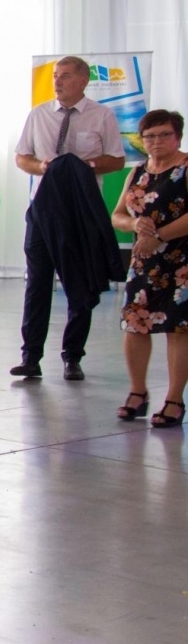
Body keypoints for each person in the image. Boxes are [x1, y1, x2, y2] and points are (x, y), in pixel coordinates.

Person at [12, 55, 126, 381]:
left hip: (80, 212)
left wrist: (82, 166)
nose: (58, 82)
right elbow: (22, 157)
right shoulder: (38, 114)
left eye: (65, 76)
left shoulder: (102, 115)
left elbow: (117, 160)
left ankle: (72, 357)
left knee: (80, 282)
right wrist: (42, 167)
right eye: (55, 76)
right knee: (37, 283)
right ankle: (30, 357)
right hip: (43, 211)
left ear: (83, 80)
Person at [112, 109, 188, 428]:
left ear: (178, 137)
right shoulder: (137, 172)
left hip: (181, 260)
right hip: (144, 260)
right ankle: (138, 392)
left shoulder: (185, 167)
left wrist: (158, 236)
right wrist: (134, 224)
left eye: (164, 134)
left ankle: (174, 399)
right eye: (150, 136)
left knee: (178, 328)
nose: (157, 141)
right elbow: (117, 215)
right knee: (135, 324)